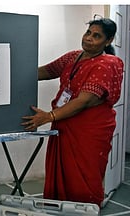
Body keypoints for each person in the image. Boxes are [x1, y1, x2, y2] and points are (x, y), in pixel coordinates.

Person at [21, 17, 124, 206]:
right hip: (64, 124)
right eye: (88, 33)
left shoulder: (108, 63)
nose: (89, 38)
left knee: (84, 178)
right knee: (61, 176)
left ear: (108, 41)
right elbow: (46, 71)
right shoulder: (74, 56)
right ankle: (57, 209)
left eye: (96, 36)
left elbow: (85, 100)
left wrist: (48, 116)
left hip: (89, 131)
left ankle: (85, 210)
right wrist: (9, 72)